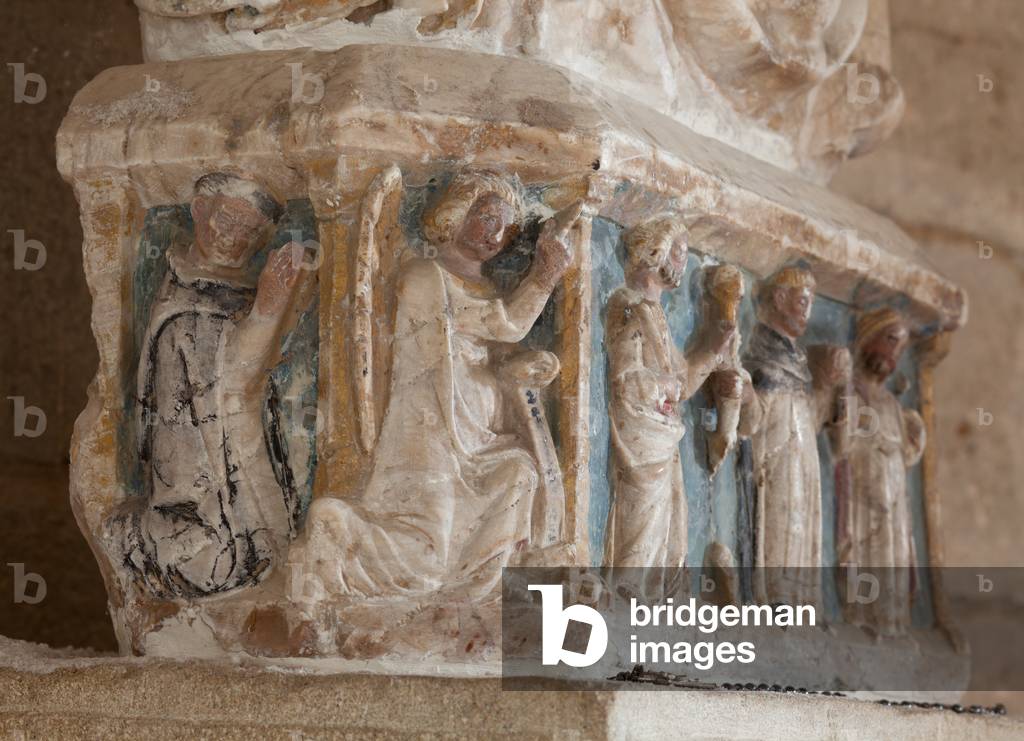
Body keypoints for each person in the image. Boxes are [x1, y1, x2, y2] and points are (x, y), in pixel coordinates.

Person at [295, 171, 582, 602]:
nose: (497, 235)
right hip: (431, 437)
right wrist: (543, 277)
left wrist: (517, 371)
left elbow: (491, 350)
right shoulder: (423, 276)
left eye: (506, 229)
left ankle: (478, 594)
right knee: (427, 560)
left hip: (476, 439)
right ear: (455, 214)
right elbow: (502, 324)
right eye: (488, 218)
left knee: (519, 472)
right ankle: (335, 528)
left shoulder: (485, 287)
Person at [115, 172, 315, 599]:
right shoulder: (181, 291)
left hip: (235, 437)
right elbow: (231, 377)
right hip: (192, 462)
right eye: (226, 220)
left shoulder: (231, 291)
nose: (232, 237)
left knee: (263, 541)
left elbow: (254, 372)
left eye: (248, 231)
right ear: (199, 209)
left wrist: (285, 301)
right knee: (213, 555)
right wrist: (269, 306)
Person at [602, 216, 740, 593]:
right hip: (641, 436)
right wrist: (662, 386)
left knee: (668, 525)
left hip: (663, 435)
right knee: (642, 522)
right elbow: (627, 380)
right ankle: (628, 598)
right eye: (678, 253)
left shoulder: (655, 313)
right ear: (655, 252)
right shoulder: (628, 306)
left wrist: (714, 352)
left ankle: (650, 601)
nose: (682, 263)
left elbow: (682, 383)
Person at [741, 264, 849, 609]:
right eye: (802, 302)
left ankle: (798, 607)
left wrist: (829, 388)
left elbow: (807, 419)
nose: (807, 313)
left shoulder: (798, 360)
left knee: (800, 529)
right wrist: (745, 396)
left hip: (802, 461)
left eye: (811, 303)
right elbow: (752, 421)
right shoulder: (760, 351)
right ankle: (776, 604)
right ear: (779, 298)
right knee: (780, 528)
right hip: (776, 460)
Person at [840, 307, 925, 636]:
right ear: (867, 337)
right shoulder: (851, 391)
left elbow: (903, 452)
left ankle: (893, 626)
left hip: (894, 506)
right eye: (890, 340)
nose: (894, 354)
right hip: (862, 500)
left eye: (900, 348)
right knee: (867, 558)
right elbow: (842, 443)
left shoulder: (891, 403)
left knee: (892, 561)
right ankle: (863, 622)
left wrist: (913, 438)